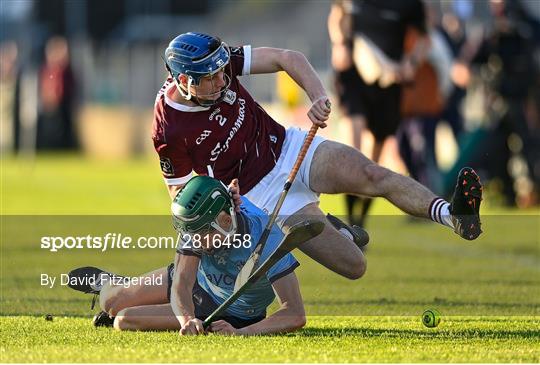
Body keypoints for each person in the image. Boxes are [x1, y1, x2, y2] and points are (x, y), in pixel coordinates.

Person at [152, 32, 483, 282]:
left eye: (224, 71)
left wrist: (318, 96)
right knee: (355, 266)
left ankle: (452, 214)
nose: (223, 80)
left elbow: (287, 57)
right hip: (261, 196)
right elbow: (182, 199)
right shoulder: (168, 129)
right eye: (210, 78)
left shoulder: (221, 64)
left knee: (373, 175)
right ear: (184, 81)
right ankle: (339, 233)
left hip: (288, 146)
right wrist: (223, 201)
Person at [68, 176, 308, 335]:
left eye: (203, 234)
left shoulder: (268, 240)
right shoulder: (196, 224)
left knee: (122, 319)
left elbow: (294, 313)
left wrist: (239, 332)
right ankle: (117, 284)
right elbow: (182, 283)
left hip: (228, 310)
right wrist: (186, 320)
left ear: (225, 221)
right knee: (109, 301)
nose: (196, 241)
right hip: (196, 281)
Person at [327, 0, 431, 226]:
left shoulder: (411, 5)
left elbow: (424, 39)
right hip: (353, 76)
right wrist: (340, 43)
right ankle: (349, 221)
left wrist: (410, 63)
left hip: (389, 81)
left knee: (372, 162)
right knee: (352, 149)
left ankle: (359, 222)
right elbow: (338, 14)